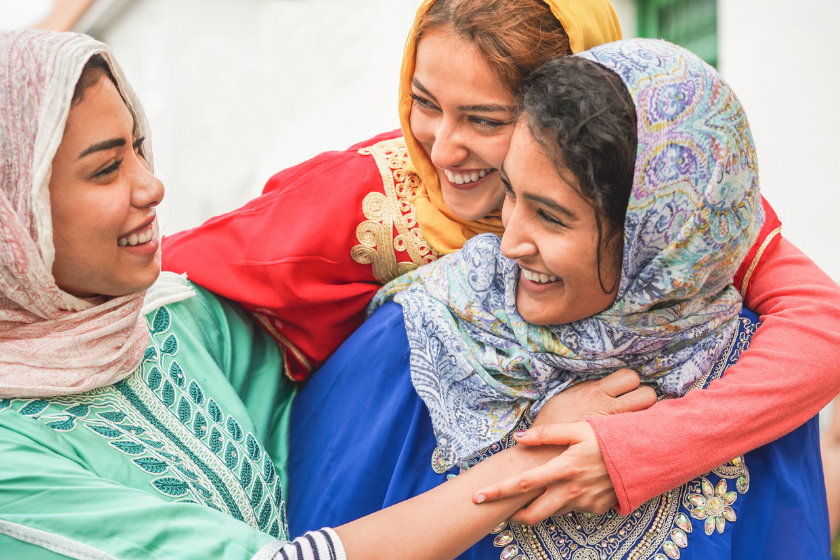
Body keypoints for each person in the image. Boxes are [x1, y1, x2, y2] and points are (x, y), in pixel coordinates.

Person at [162, 0, 840, 517]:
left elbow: (822, 327)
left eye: (486, 120)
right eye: (424, 104)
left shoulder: (666, 203)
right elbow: (166, 287)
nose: (441, 148)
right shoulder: (365, 206)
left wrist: (641, 449)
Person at [0, 29, 650, 560]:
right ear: (13, 214)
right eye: (106, 168)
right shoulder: (12, 463)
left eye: (140, 148)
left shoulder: (177, 318)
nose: (151, 187)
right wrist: (533, 457)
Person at [290, 38, 830, 559]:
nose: (508, 243)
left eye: (550, 216)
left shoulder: (758, 385)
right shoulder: (421, 342)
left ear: (660, 242)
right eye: (510, 192)